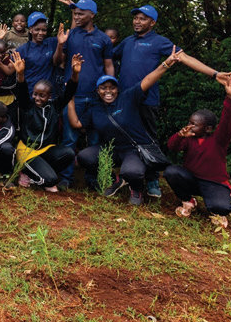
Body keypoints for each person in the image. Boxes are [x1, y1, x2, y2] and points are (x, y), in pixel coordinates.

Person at [113, 4, 230, 198]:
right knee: (126, 138)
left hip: (147, 100)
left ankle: (152, 180)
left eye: (142, 18)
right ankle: (131, 180)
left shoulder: (159, 42)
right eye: (135, 18)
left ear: (153, 22)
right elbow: (108, 57)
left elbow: (185, 58)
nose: (137, 21)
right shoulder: (126, 42)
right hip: (125, 101)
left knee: (149, 139)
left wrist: (214, 73)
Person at [73, 47, 184, 205]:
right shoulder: (94, 109)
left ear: (117, 89)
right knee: (84, 157)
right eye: (103, 88)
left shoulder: (128, 97)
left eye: (112, 87)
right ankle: (116, 179)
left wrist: (166, 64)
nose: (108, 91)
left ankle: (136, 188)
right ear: (98, 91)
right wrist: (69, 99)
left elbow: (148, 80)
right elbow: (77, 124)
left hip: (133, 149)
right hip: (111, 149)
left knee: (131, 171)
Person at [165, 74, 231, 229]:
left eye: (195, 124)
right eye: (189, 122)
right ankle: (188, 201)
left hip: (214, 183)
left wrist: (230, 98)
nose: (190, 126)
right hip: (192, 180)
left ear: (207, 128)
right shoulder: (188, 138)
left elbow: (227, 122)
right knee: (171, 171)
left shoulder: (218, 139)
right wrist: (180, 135)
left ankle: (217, 208)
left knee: (220, 207)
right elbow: (172, 147)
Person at [56, 0, 115, 189]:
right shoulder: (71, 35)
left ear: (92, 15)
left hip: (97, 98)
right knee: (69, 138)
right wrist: (60, 44)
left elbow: (108, 65)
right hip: (73, 95)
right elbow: (57, 62)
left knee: (96, 139)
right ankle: (66, 178)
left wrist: (111, 90)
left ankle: (93, 180)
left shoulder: (103, 39)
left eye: (81, 13)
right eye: (75, 13)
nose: (77, 16)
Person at [10, 52, 83, 191]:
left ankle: (38, 173)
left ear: (50, 96)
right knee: (51, 181)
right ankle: (25, 172)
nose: (37, 98)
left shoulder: (55, 106)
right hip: (27, 151)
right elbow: (22, 90)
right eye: (35, 94)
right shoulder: (28, 106)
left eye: (42, 95)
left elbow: (69, 91)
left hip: (45, 150)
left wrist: (75, 74)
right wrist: (20, 74)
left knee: (68, 153)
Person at [15, 12, 58, 98]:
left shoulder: (52, 43)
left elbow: (71, 34)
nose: (41, 33)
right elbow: (11, 71)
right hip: (31, 95)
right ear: (31, 29)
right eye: (37, 29)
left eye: (44, 30)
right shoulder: (22, 50)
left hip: (49, 95)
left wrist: (73, 9)